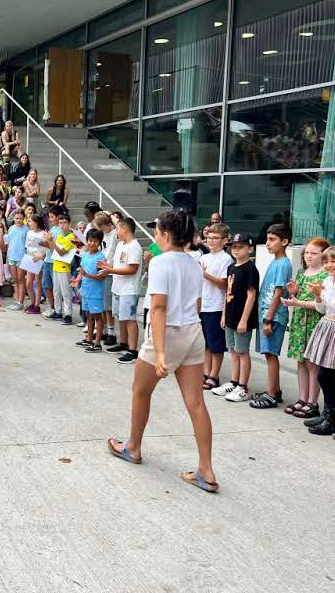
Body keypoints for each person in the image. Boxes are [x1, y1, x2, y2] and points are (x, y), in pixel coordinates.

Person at [108, 210, 218, 493]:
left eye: (157, 232)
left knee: (141, 391)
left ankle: (133, 447)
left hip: (166, 333)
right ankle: (206, 469)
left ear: (166, 235)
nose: (155, 236)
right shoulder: (195, 262)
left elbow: (158, 308)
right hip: (193, 332)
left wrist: (159, 353)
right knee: (196, 402)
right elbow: (197, 304)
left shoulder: (160, 262)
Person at [302, 246, 335, 435]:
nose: (329, 265)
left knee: (326, 373)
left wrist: (322, 293)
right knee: (323, 372)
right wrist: (318, 295)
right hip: (327, 324)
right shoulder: (327, 280)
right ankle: (328, 413)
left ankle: (332, 419)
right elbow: (322, 309)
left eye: (334, 261)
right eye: (326, 262)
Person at [281, 238, 329, 417]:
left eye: (314, 253)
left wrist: (297, 302)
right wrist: (293, 292)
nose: (309, 256)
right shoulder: (302, 272)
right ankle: (302, 398)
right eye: (307, 252)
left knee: (312, 363)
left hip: (315, 322)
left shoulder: (326, 275)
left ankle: (312, 402)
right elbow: (299, 296)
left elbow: (322, 304)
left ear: (323, 255)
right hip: (300, 321)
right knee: (300, 361)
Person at [211, 233, 259, 401]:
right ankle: (234, 381)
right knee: (232, 350)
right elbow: (228, 292)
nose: (236, 250)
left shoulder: (250, 269)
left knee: (242, 351)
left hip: (242, 318)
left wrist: (244, 320)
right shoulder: (231, 267)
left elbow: (251, 295)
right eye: (234, 246)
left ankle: (242, 387)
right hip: (230, 316)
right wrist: (224, 314)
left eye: (241, 247)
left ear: (250, 249)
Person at [249, 223, 292, 409]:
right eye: (267, 239)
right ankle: (275, 389)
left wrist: (268, 319)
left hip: (273, 317)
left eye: (272, 240)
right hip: (267, 315)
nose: (268, 243)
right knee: (268, 353)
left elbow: (278, 293)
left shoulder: (283, 264)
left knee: (271, 354)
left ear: (285, 241)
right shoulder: (276, 261)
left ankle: (272, 395)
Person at [99, 217, 142, 364]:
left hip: (129, 289)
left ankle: (133, 350)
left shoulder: (134, 246)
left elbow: (132, 269)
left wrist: (110, 270)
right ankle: (123, 344)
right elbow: (116, 265)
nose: (116, 232)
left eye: (117, 229)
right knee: (121, 317)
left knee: (130, 319)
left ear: (124, 229)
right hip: (118, 287)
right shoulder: (120, 245)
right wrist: (107, 267)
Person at [198, 223, 233, 391]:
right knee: (205, 343)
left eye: (215, 238)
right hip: (203, 305)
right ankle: (206, 372)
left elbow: (224, 284)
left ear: (225, 240)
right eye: (209, 237)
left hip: (216, 305)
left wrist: (205, 275)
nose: (211, 240)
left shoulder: (226, 259)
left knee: (216, 344)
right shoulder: (203, 258)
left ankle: (214, 375)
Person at [74, 230, 107, 353]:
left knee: (97, 316)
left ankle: (97, 344)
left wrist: (86, 275)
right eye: (90, 240)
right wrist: (77, 280)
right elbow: (81, 271)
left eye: (95, 241)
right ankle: (89, 340)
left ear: (99, 243)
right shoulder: (85, 255)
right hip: (86, 290)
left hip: (96, 292)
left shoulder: (101, 258)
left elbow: (101, 276)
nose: (92, 243)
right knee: (89, 316)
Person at [48, 213, 77, 324]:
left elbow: (61, 252)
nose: (62, 225)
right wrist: (50, 241)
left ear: (69, 224)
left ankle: (68, 314)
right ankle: (58, 311)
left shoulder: (72, 237)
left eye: (65, 222)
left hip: (65, 267)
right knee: (56, 291)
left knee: (66, 292)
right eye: (60, 223)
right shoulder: (60, 236)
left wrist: (52, 241)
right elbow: (54, 249)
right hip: (56, 265)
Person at [6, 210, 29, 311]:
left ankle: (21, 302)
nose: (19, 220)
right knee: (15, 280)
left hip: (21, 257)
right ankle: (16, 301)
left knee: (21, 279)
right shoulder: (11, 228)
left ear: (24, 218)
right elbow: (9, 243)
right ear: (14, 218)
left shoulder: (26, 229)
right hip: (12, 257)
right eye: (17, 218)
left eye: (20, 218)